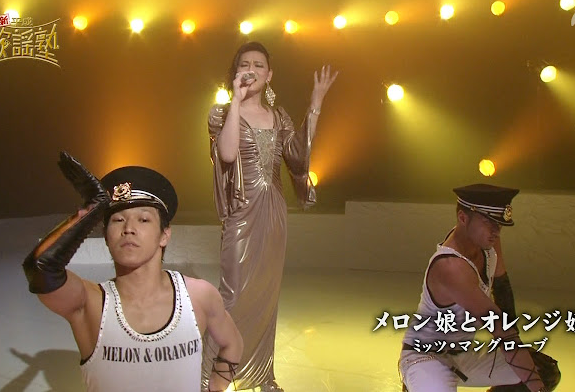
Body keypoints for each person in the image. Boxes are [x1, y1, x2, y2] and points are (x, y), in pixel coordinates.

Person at [22, 151, 243, 392]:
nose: (129, 228)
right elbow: (41, 268)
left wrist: (216, 387)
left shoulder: (198, 296)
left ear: (164, 235)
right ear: (106, 237)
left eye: (143, 220)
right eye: (118, 220)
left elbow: (233, 344)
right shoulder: (90, 303)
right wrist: (90, 210)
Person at [204, 41, 338, 391]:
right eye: (245, 64)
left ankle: (263, 376)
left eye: (259, 65)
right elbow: (227, 154)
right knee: (232, 296)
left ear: (269, 75)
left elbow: (298, 159)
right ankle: (209, 378)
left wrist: (316, 103)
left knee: (267, 296)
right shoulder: (221, 113)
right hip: (241, 213)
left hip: (274, 211)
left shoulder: (279, 117)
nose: (252, 69)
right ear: (236, 72)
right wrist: (236, 100)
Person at [398, 183, 561, 392]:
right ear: (463, 218)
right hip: (426, 356)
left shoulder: (486, 242)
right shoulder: (450, 267)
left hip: (463, 353)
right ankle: (414, 383)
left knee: (543, 371)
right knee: (533, 380)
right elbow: (501, 330)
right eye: (488, 222)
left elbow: (502, 287)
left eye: (499, 224)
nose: (496, 231)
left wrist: (516, 346)